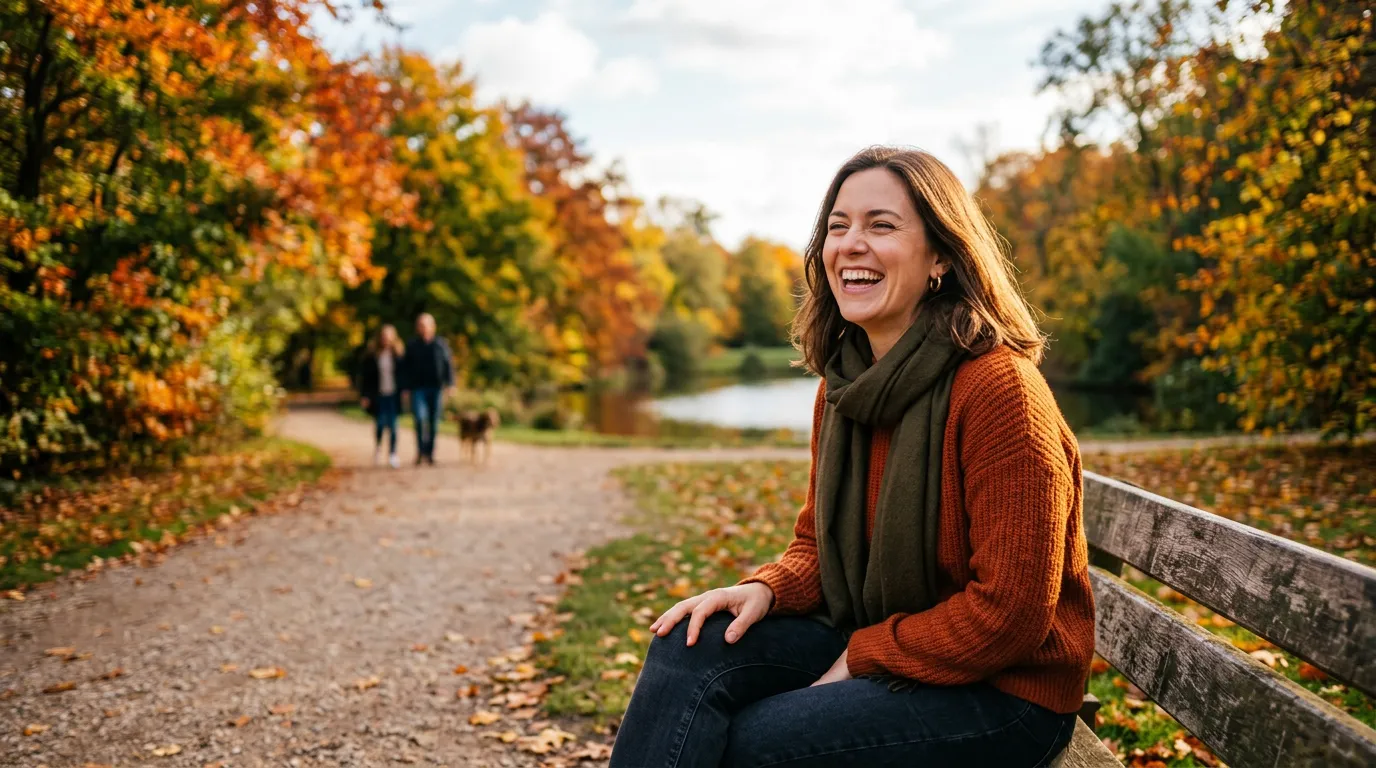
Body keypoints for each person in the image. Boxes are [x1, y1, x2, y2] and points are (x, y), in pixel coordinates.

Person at [610, 147, 1095, 767]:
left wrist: (866, 654)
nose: (851, 244)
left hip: (1006, 697)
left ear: (942, 257)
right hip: (884, 637)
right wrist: (765, 590)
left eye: (881, 225)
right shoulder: (843, 387)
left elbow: (1008, 615)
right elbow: (818, 545)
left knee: (757, 742)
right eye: (838, 226)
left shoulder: (1001, 392)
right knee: (687, 649)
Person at [402, 312, 453, 466]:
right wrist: (405, 387)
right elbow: (405, 368)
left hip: (436, 389)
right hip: (418, 389)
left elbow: (448, 365)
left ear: (433, 327)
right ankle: (420, 451)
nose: (423, 328)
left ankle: (430, 454)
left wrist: (450, 384)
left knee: (434, 422)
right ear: (417, 328)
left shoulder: (441, 344)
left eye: (426, 325)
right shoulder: (412, 346)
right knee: (419, 419)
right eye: (420, 325)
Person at [357, 325, 405, 468]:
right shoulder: (372, 355)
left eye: (389, 336)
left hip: (393, 395)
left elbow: (404, 375)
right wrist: (365, 396)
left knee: (394, 426)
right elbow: (365, 377)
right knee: (379, 425)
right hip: (378, 395)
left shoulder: (398, 355)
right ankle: (378, 449)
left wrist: (405, 391)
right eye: (384, 336)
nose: (386, 339)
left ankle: (392, 454)